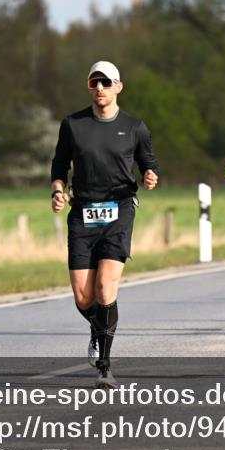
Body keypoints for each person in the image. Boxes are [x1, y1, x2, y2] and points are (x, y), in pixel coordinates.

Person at [51, 60, 159, 389]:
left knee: (105, 288)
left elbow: (149, 162)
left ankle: (104, 365)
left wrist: (151, 175)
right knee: (84, 298)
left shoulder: (135, 126)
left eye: (106, 82)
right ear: (89, 87)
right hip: (82, 212)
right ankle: (98, 330)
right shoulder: (73, 124)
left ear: (118, 87)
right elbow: (59, 165)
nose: (100, 88)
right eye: (94, 82)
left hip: (119, 209)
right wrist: (58, 191)